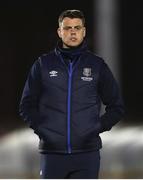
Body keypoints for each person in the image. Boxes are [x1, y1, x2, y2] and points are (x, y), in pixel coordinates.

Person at [19, 9, 125, 179]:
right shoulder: (43, 64)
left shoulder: (97, 65)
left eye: (77, 27)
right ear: (60, 32)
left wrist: (95, 128)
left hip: (87, 154)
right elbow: (26, 105)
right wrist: (43, 130)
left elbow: (116, 107)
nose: (73, 32)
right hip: (52, 154)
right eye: (67, 28)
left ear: (84, 31)